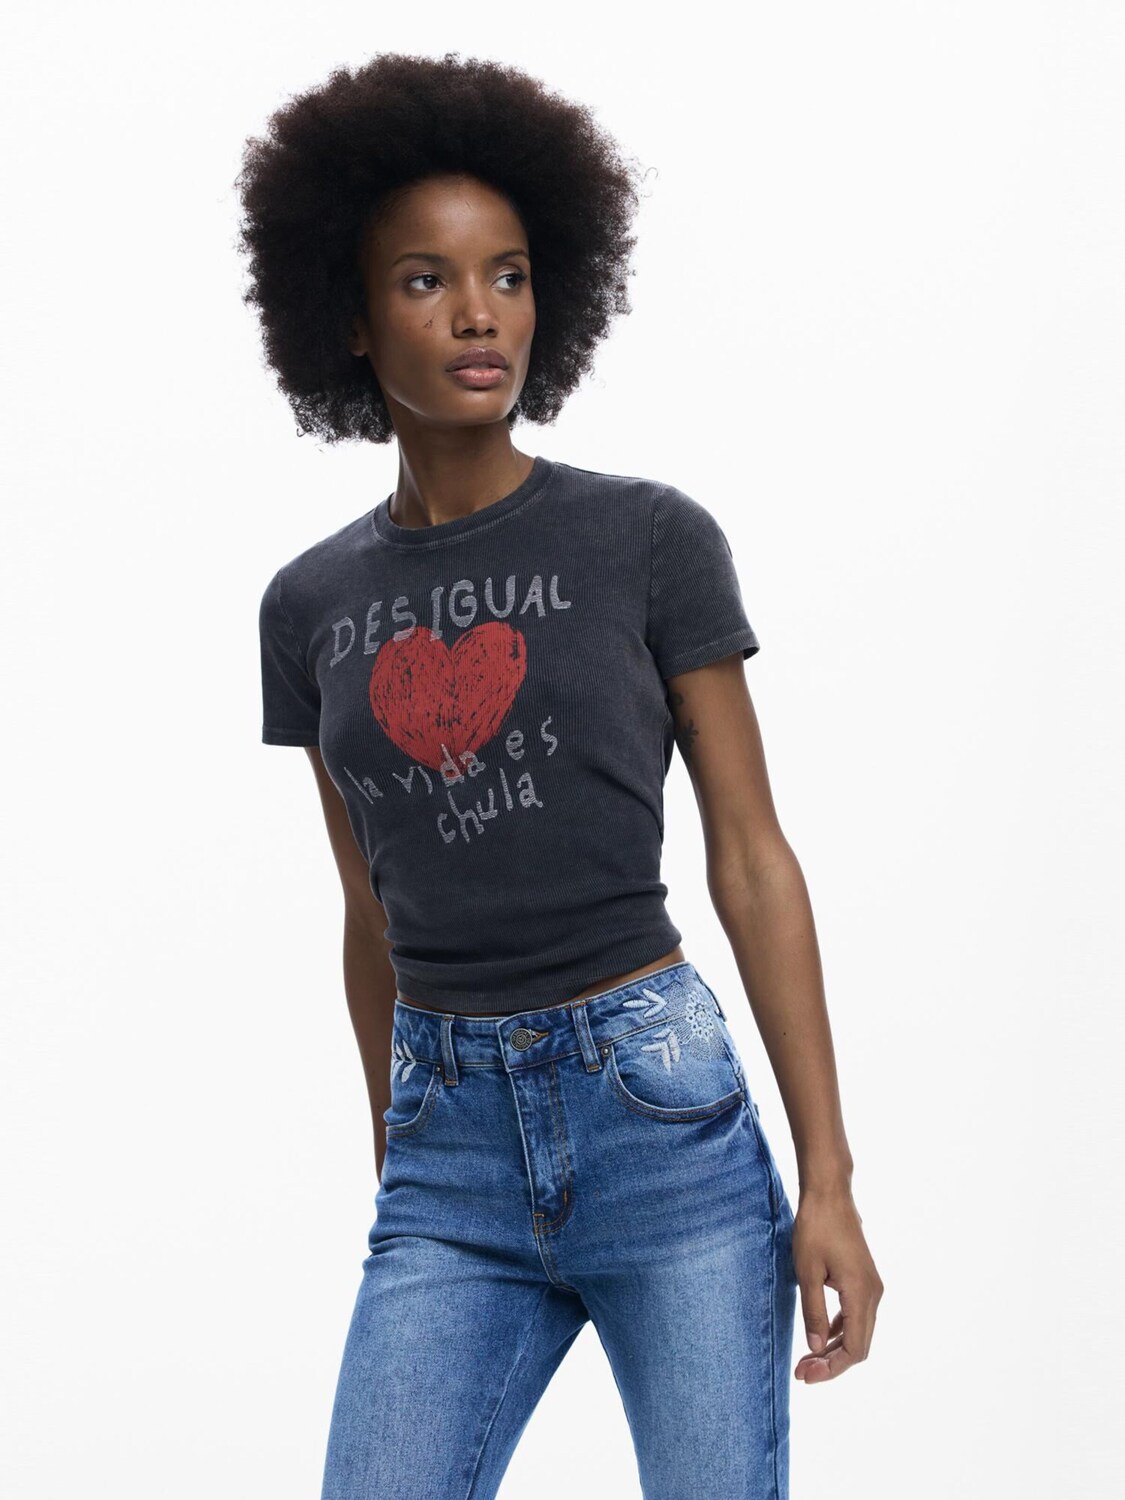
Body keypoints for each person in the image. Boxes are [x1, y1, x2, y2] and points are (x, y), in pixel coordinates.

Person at [239, 50, 883, 1500]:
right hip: (448, 1154)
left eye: (510, 276)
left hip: (658, 1117)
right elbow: (368, 910)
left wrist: (829, 1181)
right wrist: (402, 1148)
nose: (479, 314)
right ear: (349, 317)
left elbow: (751, 857)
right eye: (426, 281)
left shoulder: (647, 539)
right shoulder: (309, 605)